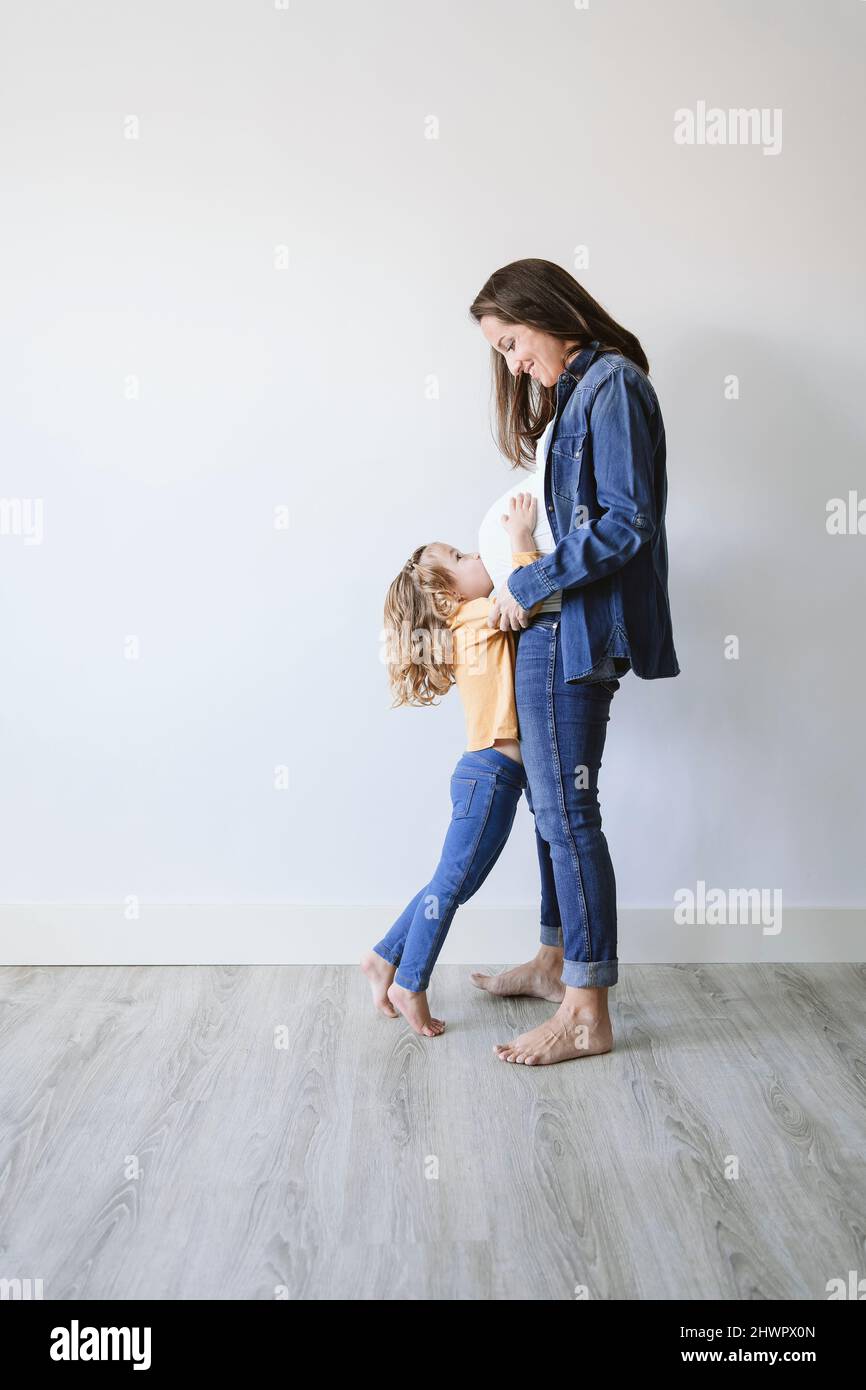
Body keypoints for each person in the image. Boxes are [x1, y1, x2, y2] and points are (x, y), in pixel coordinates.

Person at [467, 258, 680, 1065]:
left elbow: (631, 523)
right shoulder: (576, 395)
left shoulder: (612, 384)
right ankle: (556, 962)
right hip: (550, 625)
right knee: (552, 814)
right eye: (503, 353)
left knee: (570, 818)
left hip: (575, 630)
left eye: (514, 343)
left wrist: (531, 578)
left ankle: (587, 1008)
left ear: (549, 314)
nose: (515, 364)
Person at [361, 494, 542, 1037]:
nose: (473, 556)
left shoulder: (469, 619)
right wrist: (520, 538)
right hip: (490, 775)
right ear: (445, 598)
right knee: (454, 884)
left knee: (452, 880)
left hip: (486, 774)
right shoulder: (474, 617)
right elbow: (528, 593)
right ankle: (409, 981)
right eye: (462, 557)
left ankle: (384, 956)